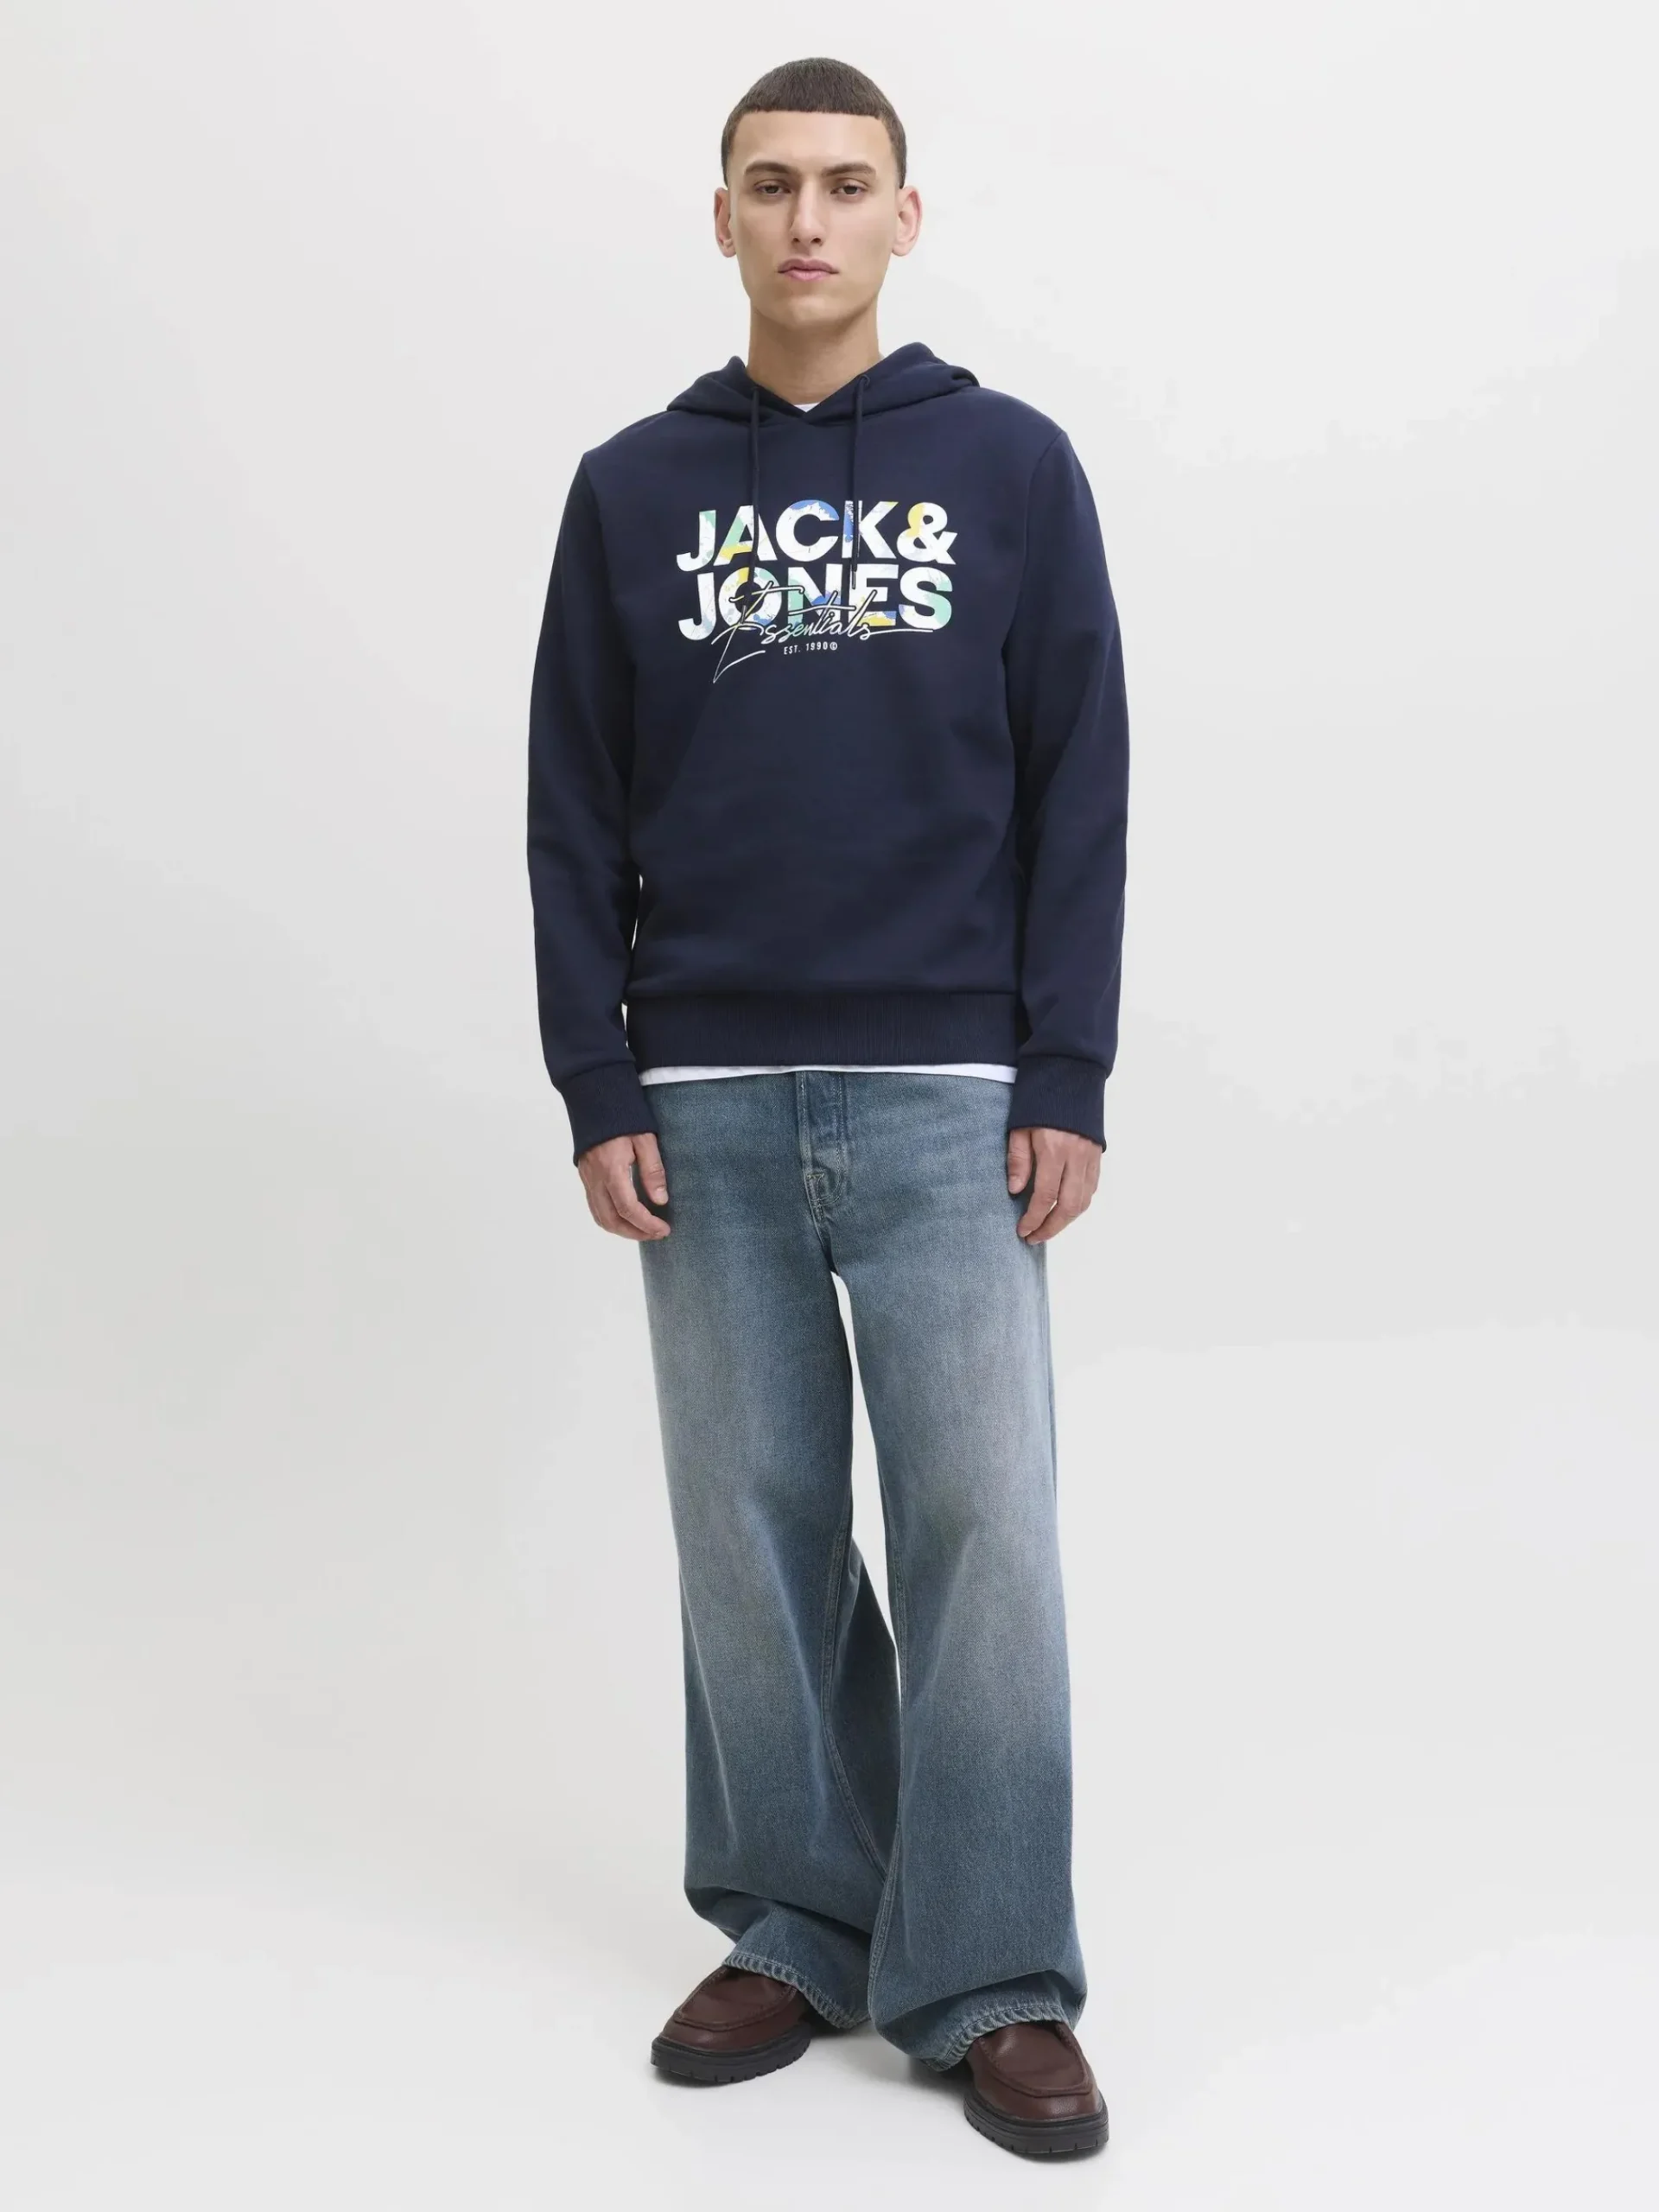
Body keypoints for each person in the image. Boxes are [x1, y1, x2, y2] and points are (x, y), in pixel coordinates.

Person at [526, 54, 1129, 2160]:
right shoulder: (629, 489)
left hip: (951, 1085)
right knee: (753, 1531)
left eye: (845, 185)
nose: (807, 220)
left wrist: (1067, 1064)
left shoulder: (1013, 469)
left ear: (903, 216)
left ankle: (994, 1971)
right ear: (722, 217)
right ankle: (797, 1918)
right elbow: (569, 805)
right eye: (771, 184)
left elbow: (1081, 781)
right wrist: (595, 1070)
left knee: (985, 1534)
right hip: (699, 1089)